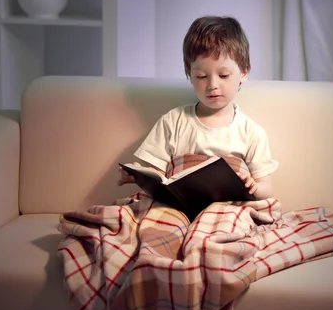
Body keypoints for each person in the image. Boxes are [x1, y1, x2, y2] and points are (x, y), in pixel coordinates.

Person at [118, 16, 278, 200]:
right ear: (190, 74)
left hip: (228, 209)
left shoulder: (251, 132)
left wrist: (253, 186)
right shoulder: (173, 121)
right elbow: (156, 176)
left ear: (244, 72)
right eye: (202, 76)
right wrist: (137, 175)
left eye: (224, 75)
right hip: (178, 208)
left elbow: (267, 189)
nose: (212, 85)